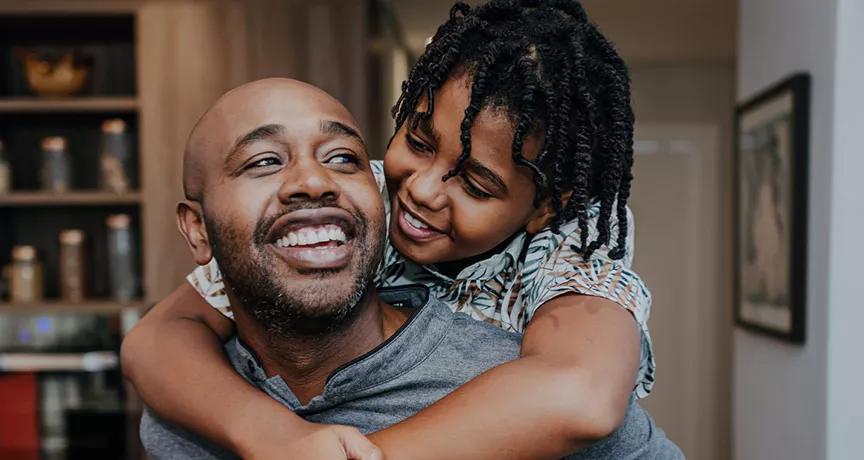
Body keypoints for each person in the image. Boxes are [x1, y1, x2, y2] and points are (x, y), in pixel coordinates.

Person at [123, 1, 658, 458]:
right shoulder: (358, 197)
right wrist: (272, 436)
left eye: (475, 184)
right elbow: (154, 341)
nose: (422, 190)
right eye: (420, 143)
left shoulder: (569, 254)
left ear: (543, 207)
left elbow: (580, 396)